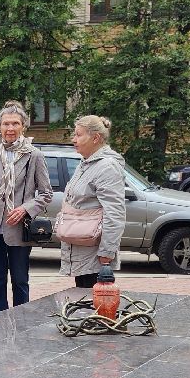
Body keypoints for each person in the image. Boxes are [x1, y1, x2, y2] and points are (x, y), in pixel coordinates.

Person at [0, 102, 54, 313]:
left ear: (23, 126)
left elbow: (46, 193)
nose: (10, 128)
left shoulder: (33, 155)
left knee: (20, 280)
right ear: (0, 127)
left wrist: (26, 208)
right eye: (6, 123)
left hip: (18, 229)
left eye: (15, 123)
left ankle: (22, 321)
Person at [62, 115, 128, 288]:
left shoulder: (107, 167)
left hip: (95, 253)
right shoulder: (85, 164)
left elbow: (115, 212)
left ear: (96, 138)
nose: (73, 139)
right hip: (81, 249)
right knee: (83, 303)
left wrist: (107, 251)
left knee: (95, 306)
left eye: (78, 135)